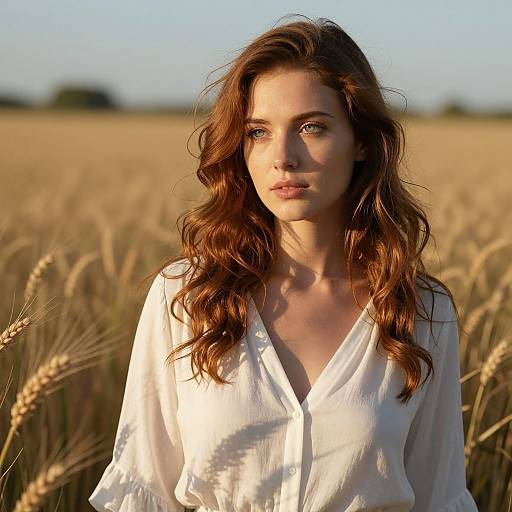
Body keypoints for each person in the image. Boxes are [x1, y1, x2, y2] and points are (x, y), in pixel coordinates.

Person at [88, 14, 479, 512]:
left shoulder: (421, 310)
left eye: (311, 127)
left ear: (361, 140)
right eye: (258, 132)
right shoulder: (184, 297)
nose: (283, 157)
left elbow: (439, 497)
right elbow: (142, 491)